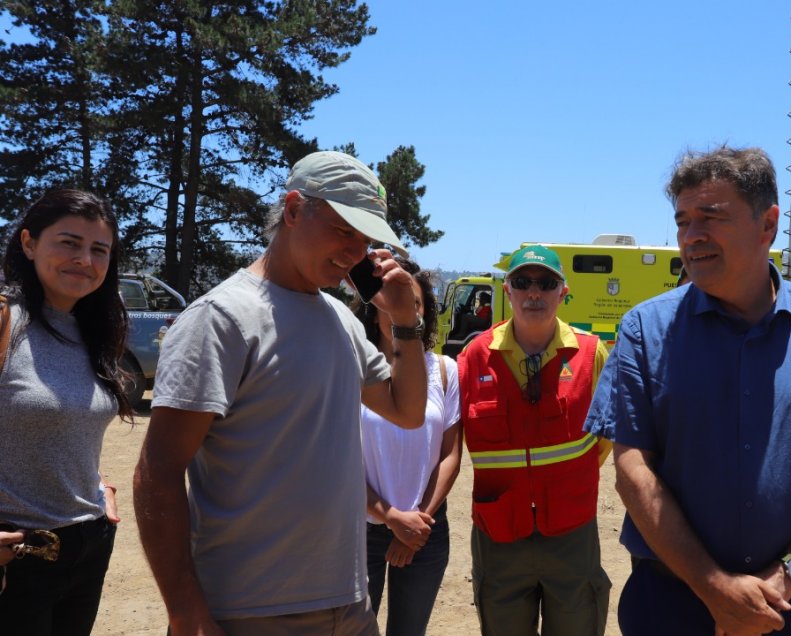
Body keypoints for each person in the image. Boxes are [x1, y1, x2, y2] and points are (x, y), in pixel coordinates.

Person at [584, 146, 791, 635]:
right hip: (672, 604)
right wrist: (714, 588)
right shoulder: (644, 331)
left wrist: (785, 581)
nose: (692, 236)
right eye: (683, 221)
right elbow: (632, 469)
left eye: (711, 217)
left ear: (768, 224)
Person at [133, 150, 428, 636]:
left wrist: (405, 321)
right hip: (250, 607)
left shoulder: (340, 320)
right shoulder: (221, 319)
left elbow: (407, 411)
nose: (356, 252)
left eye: (366, 238)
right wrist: (185, 611)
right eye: (343, 229)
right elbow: (157, 474)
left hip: (349, 604)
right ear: (293, 210)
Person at [459, 244, 612, 635]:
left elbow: (605, 439)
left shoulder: (592, 353)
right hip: (499, 533)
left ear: (563, 291)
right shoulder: (475, 357)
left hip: (571, 531)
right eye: (523, 282)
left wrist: (567, 482)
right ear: (507, 290)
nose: (534, 293)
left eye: (546, 283)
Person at [0, 189, 133, 635]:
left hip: (88, 544)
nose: (86, 259)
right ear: (29, 243)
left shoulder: (94, 330)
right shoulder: (4, 321)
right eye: (69, 243)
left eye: (100, 250)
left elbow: (71, 424)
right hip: (15, 554)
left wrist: (98, 487)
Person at [354, 256, 462, 636]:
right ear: (373, 306)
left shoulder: (446, 370)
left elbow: (450, 454)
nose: (405, 310)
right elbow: (339, 461)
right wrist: (390, 518)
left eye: (414, 303)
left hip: (425, 530)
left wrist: (417, 523)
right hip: (359, 528)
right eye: (393, 298)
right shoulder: (354, 370)